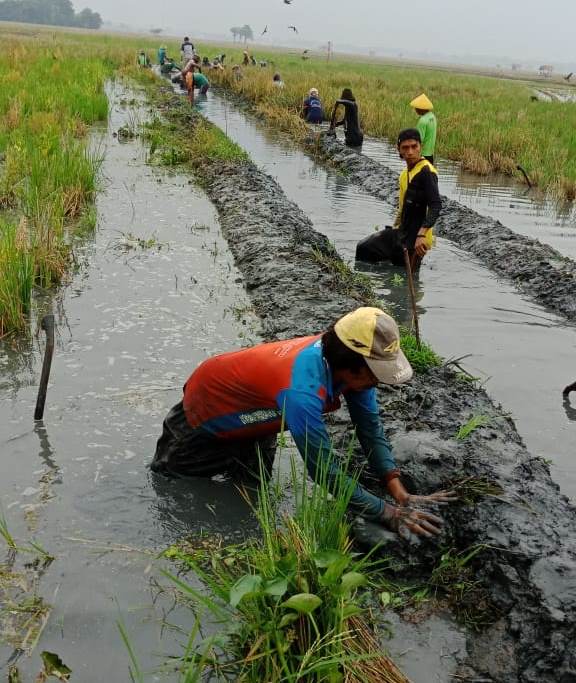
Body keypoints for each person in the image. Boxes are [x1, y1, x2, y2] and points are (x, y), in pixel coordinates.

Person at [152, 307, 455, 539]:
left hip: (261, 417)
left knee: (251, 490)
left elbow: (370, 427)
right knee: (172, 485)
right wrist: (388, 513)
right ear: (350, 367)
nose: (378, 381)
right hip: (206, 411)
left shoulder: (355, 377)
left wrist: (397, 490)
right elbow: (322, 470)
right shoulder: (302, 392)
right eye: (375, 373)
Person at [356, 129, 441, 270]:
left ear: (420, 146)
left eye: (414, 146)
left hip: (416, 239)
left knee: (404, 277)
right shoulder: (404, 174)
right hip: (402, 233)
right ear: (399, 149)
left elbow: (436, 205)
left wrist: (421, 235)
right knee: (364, 248)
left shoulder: (427, 172)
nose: (410, 152)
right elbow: (402, 208)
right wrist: (395, 226)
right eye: (405, 148)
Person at [410, 93, 437, 164]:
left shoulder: (423, 121)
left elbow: (419, 140)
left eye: (416, 108)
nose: (415, 110)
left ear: (421, 108)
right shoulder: (432, 117)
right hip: (430, 155)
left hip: (422, 155)